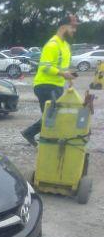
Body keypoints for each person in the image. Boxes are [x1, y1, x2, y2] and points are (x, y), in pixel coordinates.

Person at [21, 15, 78, 146]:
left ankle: (30, 134)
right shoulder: (52, 45)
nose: (74, 31)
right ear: (64, 27)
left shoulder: (65, 46)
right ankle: (48, 143)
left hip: (57, 85)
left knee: (51, 115)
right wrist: (63, 74)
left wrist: (70, 80)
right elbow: (46, 67)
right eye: (73, 27)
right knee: (52, 116)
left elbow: (63, 67)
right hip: (45, 85)